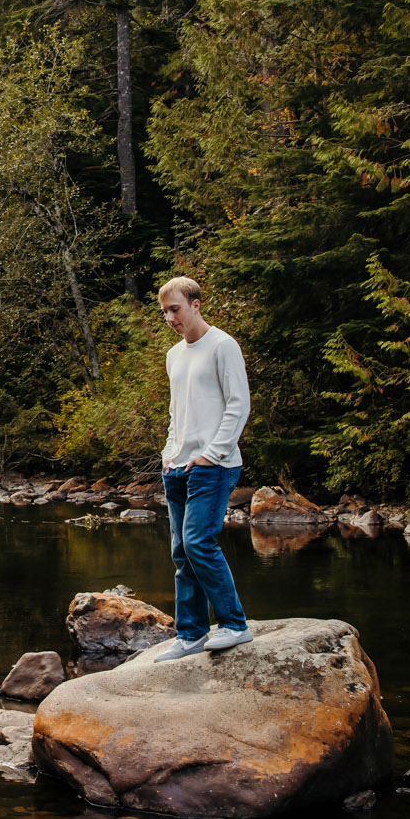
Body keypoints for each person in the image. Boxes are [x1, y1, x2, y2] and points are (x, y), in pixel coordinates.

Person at [155, 275, 252, 658]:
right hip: (177, 466)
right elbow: (176, 411)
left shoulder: (222, 346)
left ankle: (233, 624)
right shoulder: (174, 355)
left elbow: (238, 404)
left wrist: (212, 453)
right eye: (164, 312)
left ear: (196, 304)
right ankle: (191, 634)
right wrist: (169, 451)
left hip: (214, 464)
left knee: (198, 542)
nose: (170, 318)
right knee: (182, 552)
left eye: (175, 309)